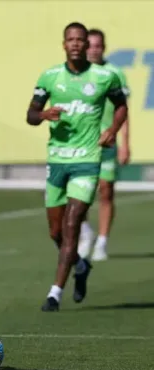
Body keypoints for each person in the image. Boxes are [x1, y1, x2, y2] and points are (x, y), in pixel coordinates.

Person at [27, 22, 127, 311]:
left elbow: (121, 106)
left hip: (87, 160)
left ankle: (54, 293)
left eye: (80, 40)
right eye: (70, 39)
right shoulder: (50, 77)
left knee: (72, 225)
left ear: (86, 45)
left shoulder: (104, 76)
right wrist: (44, 114)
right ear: (64, 44)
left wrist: (114, 129)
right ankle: (81, 266)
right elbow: (31, 114)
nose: (75, 44)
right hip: (57, 160)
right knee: (55, 232)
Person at [77, 28, 131, 262]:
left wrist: (125, 143)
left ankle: (102, 241)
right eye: (90, 45)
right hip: (80, 145)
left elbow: (124, 111)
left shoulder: (114, 73)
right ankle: (85, 233)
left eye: (98, 45)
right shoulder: (76, 73)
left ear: (104, 47)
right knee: (79, 195)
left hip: (106, 144)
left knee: (106, 192)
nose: (94, 49)